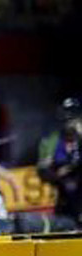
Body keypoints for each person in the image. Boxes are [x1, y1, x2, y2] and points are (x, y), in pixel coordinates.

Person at [38, 97, 82, 228]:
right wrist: (58, 175)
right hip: (64, 198)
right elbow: (42, 170)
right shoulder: (52, 141)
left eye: (74, 118)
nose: (70, 122)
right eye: (67, 118)